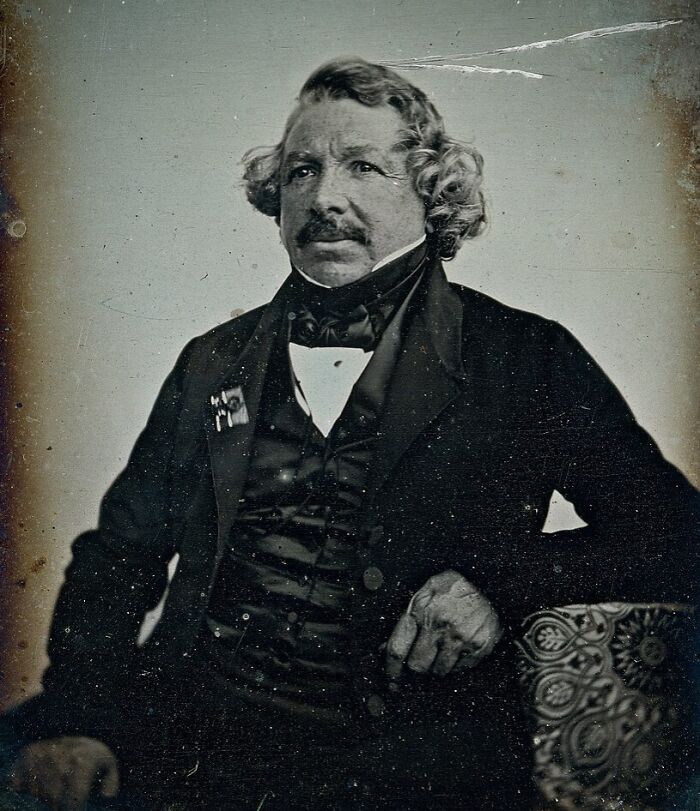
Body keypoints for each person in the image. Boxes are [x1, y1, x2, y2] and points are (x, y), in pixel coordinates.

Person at [2, 58, 698, 810]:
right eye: (302, 171)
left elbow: (677, 535)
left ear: (433, 195)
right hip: (189, 750)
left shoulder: (525, 357)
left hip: (412, 771)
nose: (324, 198)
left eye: (363, 167)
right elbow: (118, 557)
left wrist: (500, 583)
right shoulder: (212, 361)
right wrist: (84, 721)